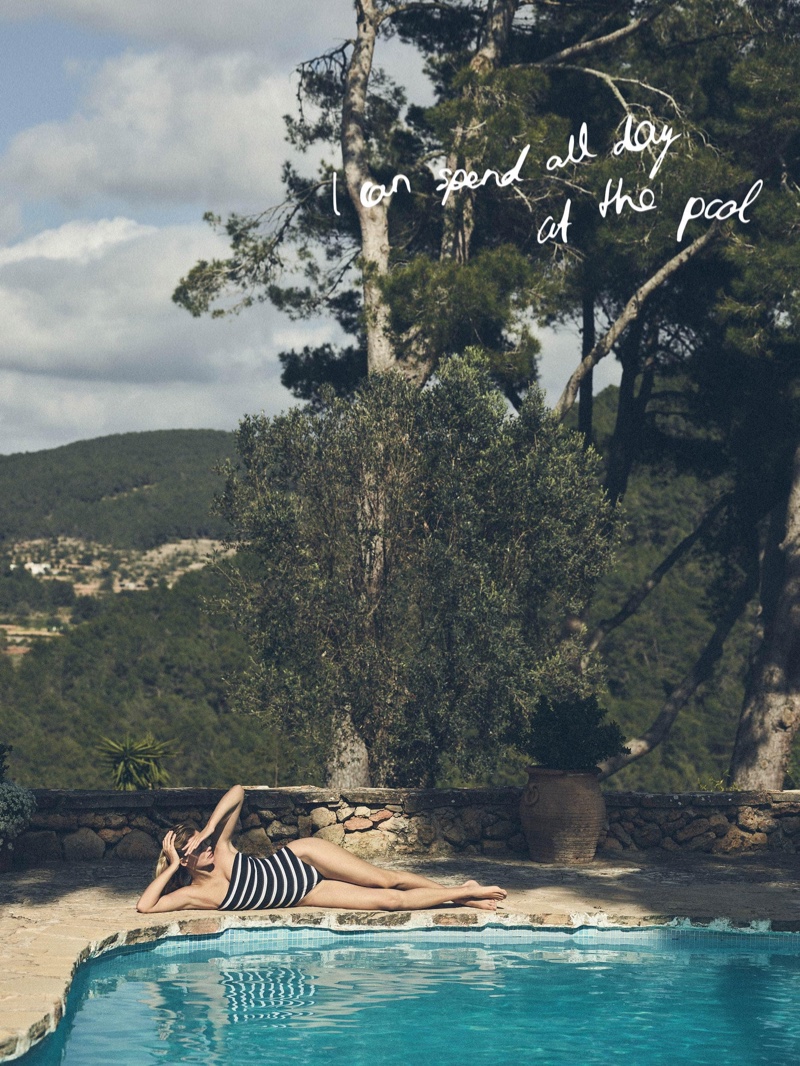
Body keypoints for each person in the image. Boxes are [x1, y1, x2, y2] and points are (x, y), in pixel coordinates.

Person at [136, 784, 507, 914]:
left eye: (205, 843)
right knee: (387, 901)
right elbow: (145, 906)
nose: (208, 849)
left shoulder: (223, 848)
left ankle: (461, 895)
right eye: (199, 849)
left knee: (386, 879)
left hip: (303, 857)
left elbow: (238, 792)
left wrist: (211, 829)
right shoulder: (195, 893)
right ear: (186, 860)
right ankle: (463, 894)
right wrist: (171, 865)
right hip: (308, 893)